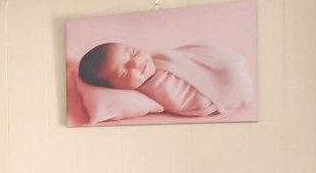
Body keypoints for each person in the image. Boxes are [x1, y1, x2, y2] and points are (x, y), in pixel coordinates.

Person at [77, 41, 254, 117]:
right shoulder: (154, 91)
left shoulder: (157, 57)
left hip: (217, 62)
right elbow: (187, 102)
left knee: (228, 62)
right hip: (227, 88)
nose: (135, 63)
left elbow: (184, 54)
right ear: (115, 88)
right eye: (123, 71)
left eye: (132, 52)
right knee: (232, 73)